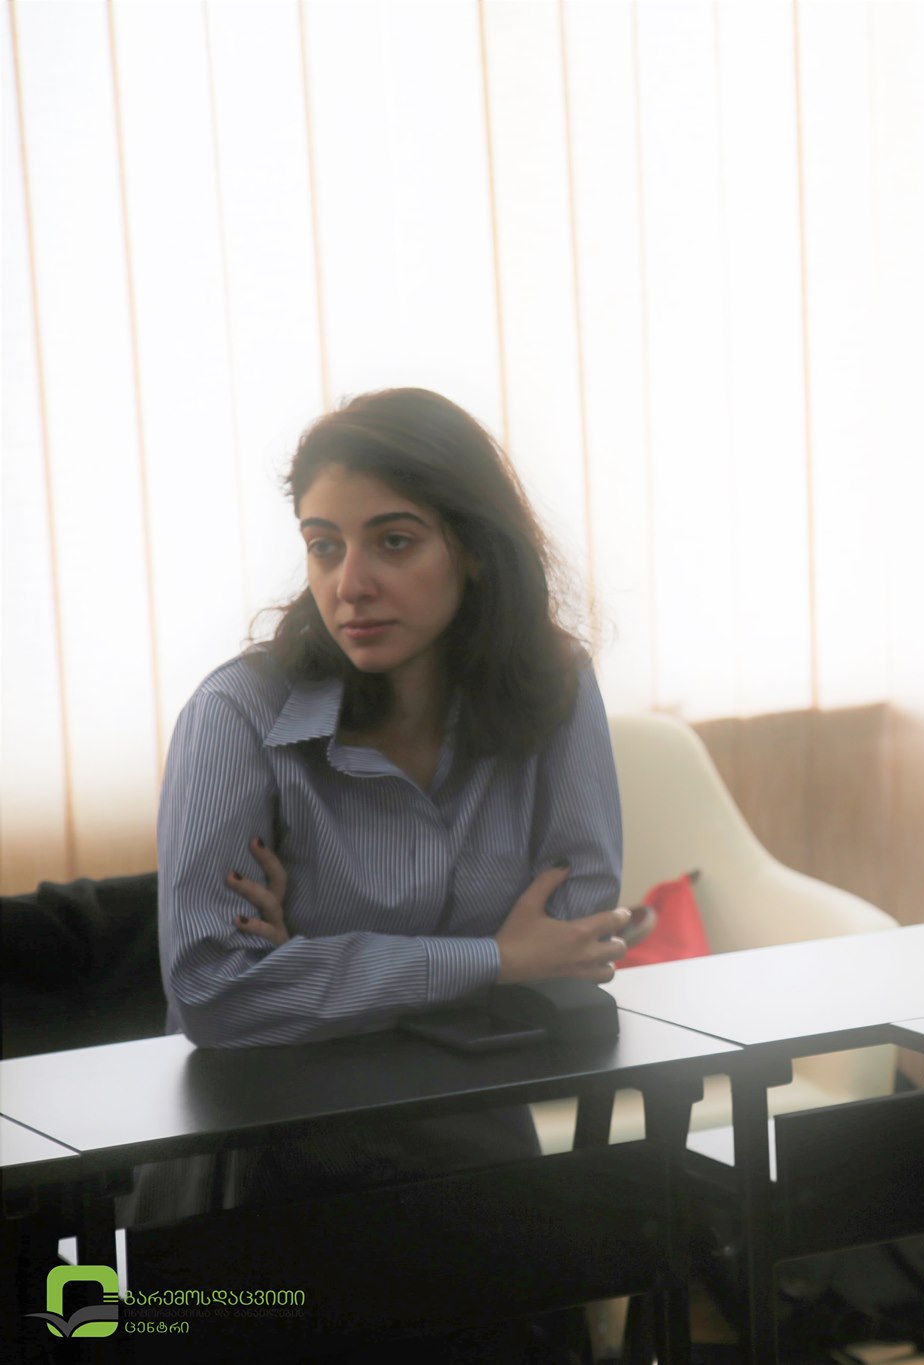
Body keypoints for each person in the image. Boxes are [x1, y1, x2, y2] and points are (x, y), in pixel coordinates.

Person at [137, 390, 631, 1357]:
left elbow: (574, 940)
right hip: (265, 1168)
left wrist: (312, 960)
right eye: (324, 546)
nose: (350, 584)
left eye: (393, 542)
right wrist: (490, 958)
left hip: (469, 1149)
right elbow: (215, 992)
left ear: (473, 548)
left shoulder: (555, 688)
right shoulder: (237, 716)